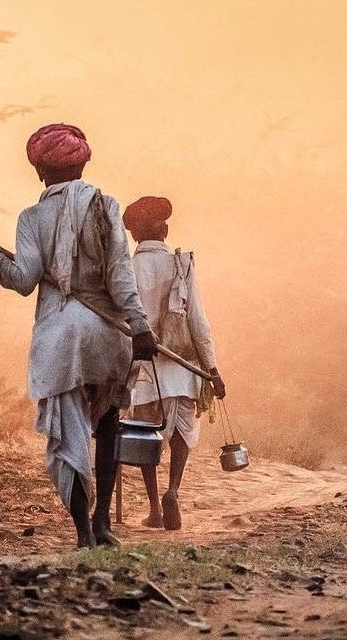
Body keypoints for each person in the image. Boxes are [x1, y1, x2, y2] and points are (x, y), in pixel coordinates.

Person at [0, 123, 156, 548]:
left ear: (39, 172)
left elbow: (22, 279)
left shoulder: (31, 218)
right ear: (84, 164)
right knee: (107, 427)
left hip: (61, 342)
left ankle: (83, 532)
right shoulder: (106, 205)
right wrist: (140, 327)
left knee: (68, 435)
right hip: (108, 336)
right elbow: (122, 279)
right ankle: (104, 522)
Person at [122, 196, 226, 531]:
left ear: (136, 234)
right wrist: (213, 370)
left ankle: (155, 507)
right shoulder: (181, 264)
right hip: (182, 368)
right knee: (181, 433)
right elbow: (198, 322)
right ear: (161, 231)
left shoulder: (127, 268)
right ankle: (173, 490)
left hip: (143, 370)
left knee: (146, 437)